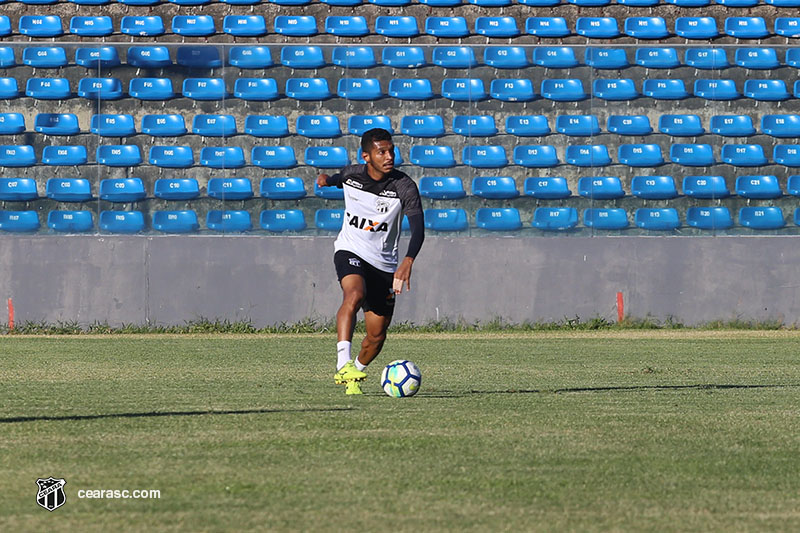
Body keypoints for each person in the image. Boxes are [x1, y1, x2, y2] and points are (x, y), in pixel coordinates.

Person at [316, 128, 424, 395]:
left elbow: (419, 228)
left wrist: (408, 260)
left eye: (391, 151)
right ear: (366, 156)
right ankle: (342, 364)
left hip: (385, 265)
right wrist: (325, 180)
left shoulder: (404, 186)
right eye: (381, 152)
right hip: (350, 250)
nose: (389, 157)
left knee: (376, 336)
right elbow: (336, 179)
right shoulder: (352, 175)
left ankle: (354, 375)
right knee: (353, 294)